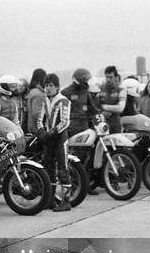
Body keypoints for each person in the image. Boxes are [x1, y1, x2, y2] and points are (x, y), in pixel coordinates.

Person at [36, 73, 72, 212]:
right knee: (48, 169)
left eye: (51, 86)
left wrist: (50, 134)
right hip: (48, 140)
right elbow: (40, 119)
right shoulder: (45, 100)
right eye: (46, 86)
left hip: (60, 139)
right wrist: (41, 132)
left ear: (57, 87)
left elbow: (65, 122)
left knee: (63, 169)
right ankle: (50, 199)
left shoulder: (64, 101)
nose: (48, 88)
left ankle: (66, 201)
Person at [61, 68, 101, 138]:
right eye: (86, 80)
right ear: (79, 80)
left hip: (84, 126)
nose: (87, 82)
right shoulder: (65, 92)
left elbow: (92, 108)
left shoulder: (86, 92)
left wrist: (100, 116)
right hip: (71, 128)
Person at [98, 65, 126, 133]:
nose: (108, 79)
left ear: (115, 77)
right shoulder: (99, 89)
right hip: (102, 123)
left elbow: (120, 108)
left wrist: (103, 106)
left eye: (111, 77)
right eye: (107, 77)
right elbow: (93, 106)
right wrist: (101, 112)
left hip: (115, 124)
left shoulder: (121, 91)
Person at [26, 68, 46, 134]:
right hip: (37, 130)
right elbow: (37, 113)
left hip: (33, 127)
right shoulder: (38, 94)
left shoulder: (33, 91)